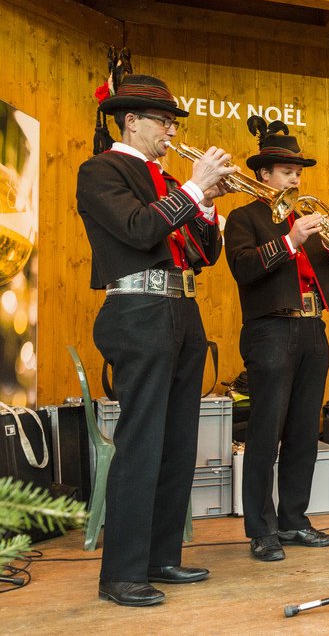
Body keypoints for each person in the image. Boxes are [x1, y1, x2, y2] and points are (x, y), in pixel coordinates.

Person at [77, 72, 235, 607]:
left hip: (181, 309)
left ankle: (162, 556)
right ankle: (121, 573)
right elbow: (141, 231)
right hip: (136, 309)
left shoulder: (163, 177)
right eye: (163, 121)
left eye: (171, 121)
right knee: (142, 442)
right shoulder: (100, 171)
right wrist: (192, 186)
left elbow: (204, 254)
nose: (170, 130)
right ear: (132, 121)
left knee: (177, 442)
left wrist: (207, 200)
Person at [225, 117, 329, 561]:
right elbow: (244, 268)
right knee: (266, 430)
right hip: (270, 328)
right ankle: (260, 529)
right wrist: (289, 240)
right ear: (264, 175)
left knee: (305, 429)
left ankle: (294, 520)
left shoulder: (306, 216)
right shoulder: (244, 218)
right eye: (287, 171)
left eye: (299, 172)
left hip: (312, 327)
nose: (296, 178)